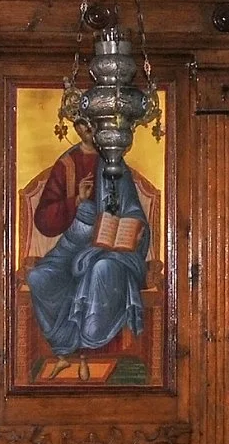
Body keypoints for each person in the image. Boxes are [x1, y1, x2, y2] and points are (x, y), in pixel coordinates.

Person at [23, 122, 155, 365]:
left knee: (100, 269)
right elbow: (44, 220)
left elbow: (133, 211)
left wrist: (135, 230)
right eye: (85, 125)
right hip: (73, 243)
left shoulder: (116, 165)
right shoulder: (67, 165)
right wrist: (75, 201)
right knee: (38, 277)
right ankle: (64, 343)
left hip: (110, 249)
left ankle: (90, 342)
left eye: (94, 125)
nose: (90, 130)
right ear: (77, 127)